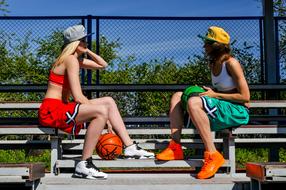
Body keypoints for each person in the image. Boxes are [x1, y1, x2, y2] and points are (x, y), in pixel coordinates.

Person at [38, 24, 154, 180]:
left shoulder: (72, 59)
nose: (87, 44)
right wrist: (105, 118)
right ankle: (84, 164)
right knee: (100, 112)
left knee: (108, 101)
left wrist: (87, 51)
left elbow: (103, 65)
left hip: (60, 108)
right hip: (53, 110)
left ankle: (130, 147)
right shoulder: (70, 60)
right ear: (76, 43)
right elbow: (78, 97)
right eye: (84, 41)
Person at [156, 26, 250, 179]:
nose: (203, 46)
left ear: (216, 46)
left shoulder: (232, 63)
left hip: (237, 111)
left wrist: (214, 95)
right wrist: (209, 91)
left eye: (207, 42)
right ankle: (175, 147)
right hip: (223, 106)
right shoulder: (213, 64)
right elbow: (222, 89)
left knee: (194, 102)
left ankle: (212, 154)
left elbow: (245, 97)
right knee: (177, 96)